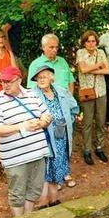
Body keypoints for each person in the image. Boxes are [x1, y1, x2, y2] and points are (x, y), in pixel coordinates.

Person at [0, 66, 52, 216]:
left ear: (19, 80)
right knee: (17, 193)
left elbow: (47, 115)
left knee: (35, 189)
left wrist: (42, 122)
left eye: (9, 81)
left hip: (38, 153)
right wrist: (21, 126)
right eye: (3, 81)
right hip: (15, 158)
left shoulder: (32, 95)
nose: (5, 85)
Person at [31, 65, 80, 208]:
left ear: (51, 78)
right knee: (43, 172)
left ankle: (53, 201)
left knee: (56, 170)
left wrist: (67, 121)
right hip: (42, 139)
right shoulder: (32, 94)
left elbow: (74, 108)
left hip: (61, 138)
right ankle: (42, 203)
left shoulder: (61, 91)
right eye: (39, 78)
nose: (41, 80)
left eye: (44, 77)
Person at [76, 30, 109, 165]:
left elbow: (107, 70)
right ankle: (87, 150)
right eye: (88, 41)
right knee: (87, 122)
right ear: (84, 43)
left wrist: (91, 69)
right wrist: (98, 66)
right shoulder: (80, 53)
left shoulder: (101, 53)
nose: (91, 43)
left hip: (101, 91)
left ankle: (100, 148)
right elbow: (83, 70)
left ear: (96, 42)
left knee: (101, 121)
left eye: (93, 41)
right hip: (87, 92)